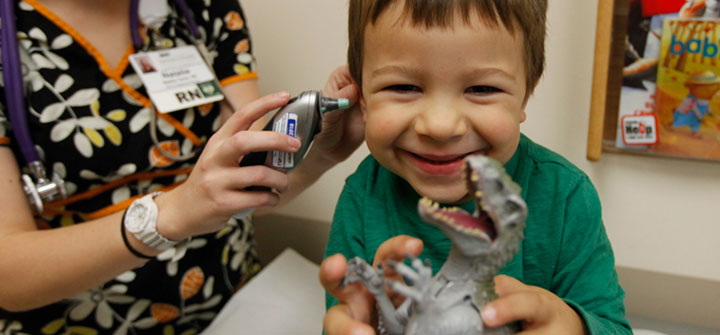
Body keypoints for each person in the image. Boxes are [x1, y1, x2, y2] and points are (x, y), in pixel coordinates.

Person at [0, 0, 362, 333]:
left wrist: (323, 156)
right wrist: (173, 214)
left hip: (235, 304)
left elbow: (245, 187)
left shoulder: (201, 8)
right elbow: (9, 276)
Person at [319, 0, 632, 334]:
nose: (440, 126)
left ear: (526, 94)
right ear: (363, 97)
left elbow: (613, 326)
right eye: (403, 87)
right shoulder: (362, 194)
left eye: (483, 89)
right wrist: (366, 322)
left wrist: (572, 325)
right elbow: (344, 318)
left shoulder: (566, 197)